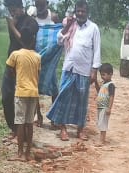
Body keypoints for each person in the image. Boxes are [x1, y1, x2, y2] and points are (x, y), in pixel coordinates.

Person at [46, 0, 100, 141]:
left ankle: (80, 130)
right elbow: (59, 40)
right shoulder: (70, 25)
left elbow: (97, 50)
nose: (80, 13)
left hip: (84, 70)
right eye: (78, 11)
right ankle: (63, 129)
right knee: (63, 97)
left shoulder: (93, 28)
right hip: (69, 68)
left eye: (83, 11)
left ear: (87, 12)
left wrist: (94, 70)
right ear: (75, 12)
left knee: (82, 102)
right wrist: (68, 25)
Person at [1, 0, 39, 141]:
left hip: (25, 67)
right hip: (11, 64)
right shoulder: (14, 21)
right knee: (7, 97)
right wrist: (12, 24)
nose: (12, 12)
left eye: (14, 9)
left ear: (20, 7)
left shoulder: (31, 23)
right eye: (10, 10)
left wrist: (12, 26)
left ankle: (24, 131)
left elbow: (24, 41)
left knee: (24, 100)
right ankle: (14, 129)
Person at [8, 27, 42, 159]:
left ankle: (20, 152)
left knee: (20, 123)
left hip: (21, 92)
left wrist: (17, 78)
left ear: (21, 40)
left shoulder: (15, 54)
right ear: (33, 41)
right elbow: (38, 75)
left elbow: (10, 69)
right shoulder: (37, 57)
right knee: (29, 123)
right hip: (33, 92)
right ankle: (28, 153)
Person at [32, 0, 64, 126]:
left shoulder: (54, 17)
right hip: (36, 56)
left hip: (50, 58)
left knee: (54, 88)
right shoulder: (33, 17)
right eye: (37, 5)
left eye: (42, 4)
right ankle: (38, 116)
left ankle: (54, 118)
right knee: (34, 88)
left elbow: (60, 34)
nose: (39, 7)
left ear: (47, 3)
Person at [95, 62, 116, 144]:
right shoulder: (104, 84)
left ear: (110, 74)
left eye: (104, 75)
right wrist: (96, 82)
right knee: (100, 123)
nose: (102, 77)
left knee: (103, 124)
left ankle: (102, 140)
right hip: (100, 107)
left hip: (105, 107)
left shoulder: (111, 85)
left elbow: (111, 97)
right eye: (101, 75)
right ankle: (101, 139)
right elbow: (99, 91)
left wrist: (109, 108)